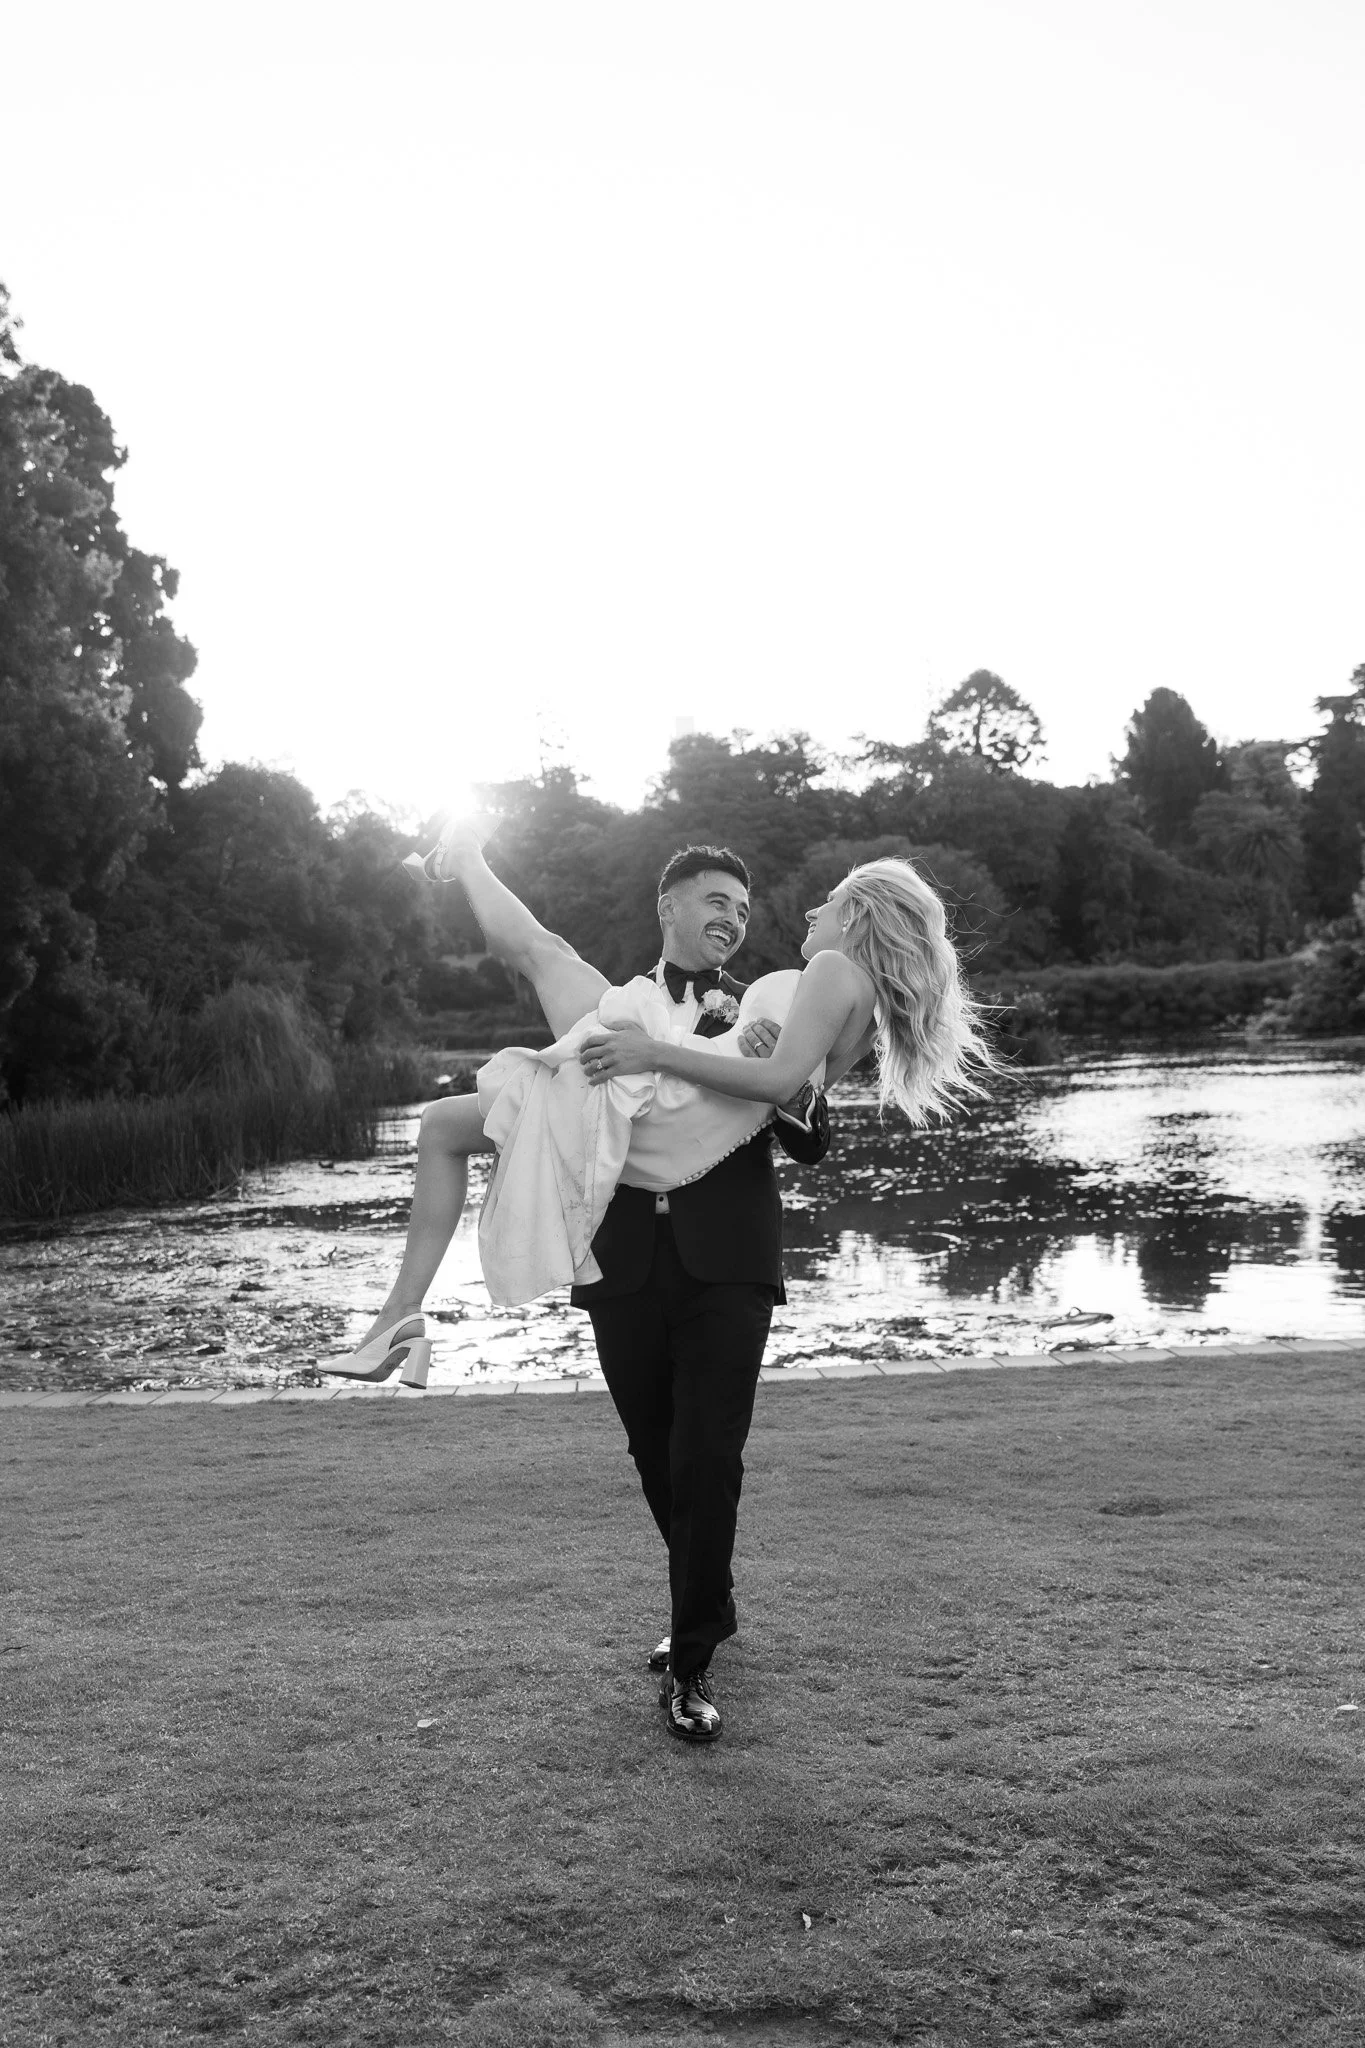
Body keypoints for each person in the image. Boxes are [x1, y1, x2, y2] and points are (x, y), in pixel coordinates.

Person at [321, 831, 832, 1747]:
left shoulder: (769, 1008)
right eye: (715, 901)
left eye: (743, 910)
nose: (731, 918)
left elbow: (811, 1138)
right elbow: (531, 945)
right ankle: (706, 1601)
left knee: (707, 1455)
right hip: (622, 1262)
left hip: (728, 1264)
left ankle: (691, 1661)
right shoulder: (610, 1005)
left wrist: (783, 1082)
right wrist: (469, 862)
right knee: (654, 1451)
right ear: (669, 906)